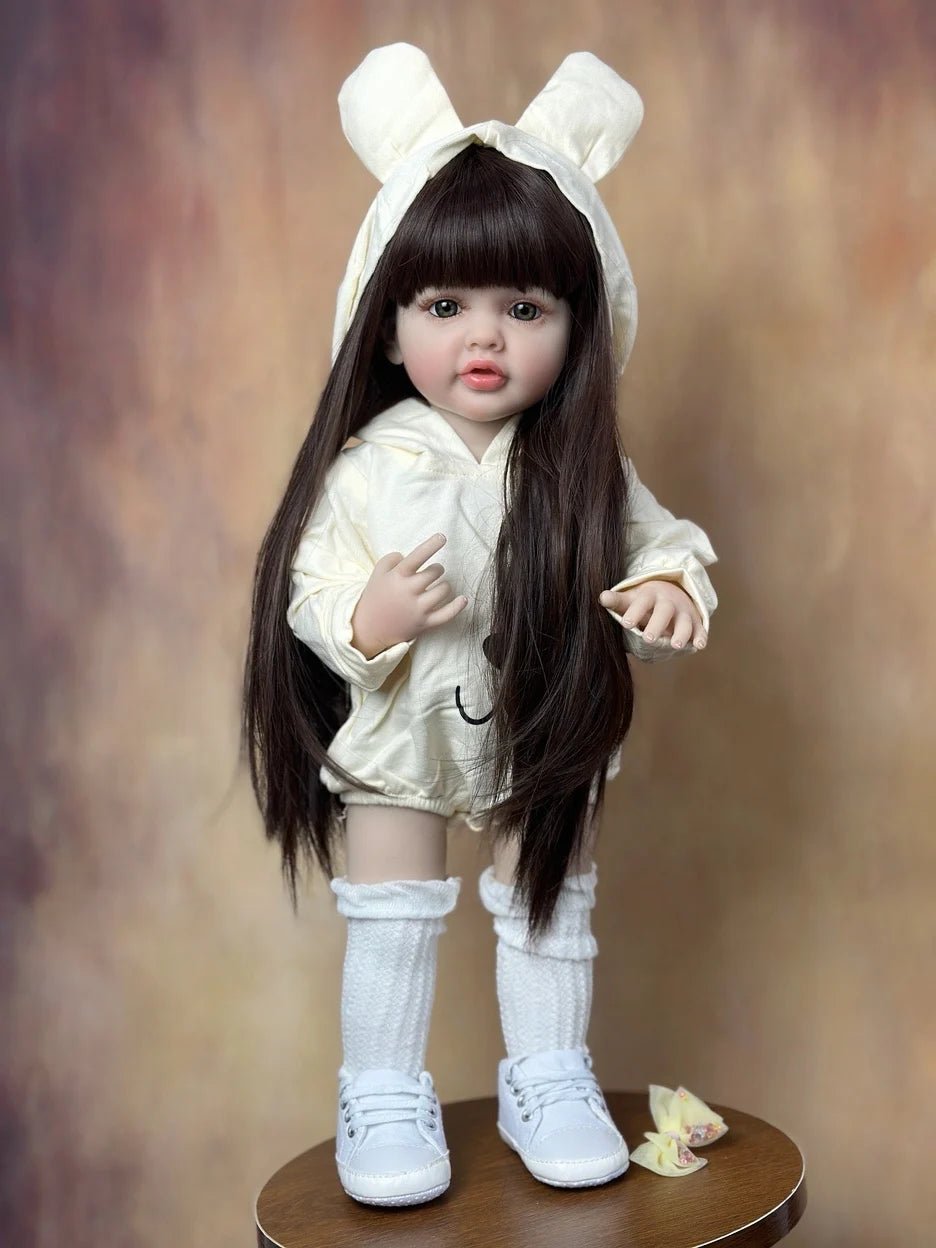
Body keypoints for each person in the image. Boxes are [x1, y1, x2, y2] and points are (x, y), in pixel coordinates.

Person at [242, 44, 718, 1207]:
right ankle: (381, 1089)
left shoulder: (580, 468)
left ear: (579, 322)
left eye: (526, 308)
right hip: (403, 730)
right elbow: (310, 586)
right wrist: (369, 617)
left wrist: (669, 590)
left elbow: (661, 543)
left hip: (536, 729)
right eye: (445, 306)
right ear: (385, 321)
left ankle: (546, 1074)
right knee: (391, 918)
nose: (485, 339)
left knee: (549, 904)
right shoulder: (364, 468)